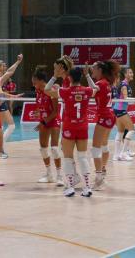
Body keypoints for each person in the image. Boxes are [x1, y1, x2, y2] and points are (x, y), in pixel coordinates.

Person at [45, 67, 95, 197]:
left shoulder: (65, 92)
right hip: (83, 127)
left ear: (70, 78)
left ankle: (70, 187)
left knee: (67, 158)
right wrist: (88, 76)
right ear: (81, 77)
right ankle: (87, 188)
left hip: (69, 127)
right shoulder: (87, 91)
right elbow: (96, 89)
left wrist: (54, 76)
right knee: (83, 157)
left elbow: (46, 90)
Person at [84, 60, 120, 190]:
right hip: (110, 116)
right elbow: (94, 90)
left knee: (95, 148)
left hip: (104, 117)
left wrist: (86, 76)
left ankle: (98, 179)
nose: (91, 70)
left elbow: (92, 91)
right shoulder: (107, 83)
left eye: (93, 69)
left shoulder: (100, 83)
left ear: (100, 70)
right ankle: (103, 171)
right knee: (104, 145)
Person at [32, 68, 64, 186]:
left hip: (53, 120)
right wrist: (38, 111)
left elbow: (55, 111)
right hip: (44, 121)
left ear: (41, 80)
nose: (33, 84)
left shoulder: (51, 90)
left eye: (35, 81)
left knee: (55, 149)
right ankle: (49, 174)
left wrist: (43, 123)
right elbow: (39, 105)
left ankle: (60, 176)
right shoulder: (38, 91)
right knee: (43, 149)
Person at [0, 54, 24, 159]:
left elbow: (1, 92)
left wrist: (13, 96)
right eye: (3, 65)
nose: (5, 66)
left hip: (0, 102)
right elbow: (10, 72)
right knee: (11, 126)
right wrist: (18, 61)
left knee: (0, 127)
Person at [112, 68, 135, 162]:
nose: (132, 74)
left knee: (120, 132)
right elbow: (125, 98)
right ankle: (124, 154)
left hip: (117, 109)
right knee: (132, 129)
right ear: (125, 75)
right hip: (120, 110)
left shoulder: (125, 84)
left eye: (132, 72)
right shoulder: (124, 85)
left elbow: (125, 99)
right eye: (130, 72)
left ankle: (116, 156)